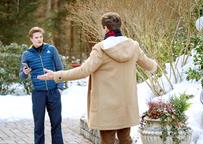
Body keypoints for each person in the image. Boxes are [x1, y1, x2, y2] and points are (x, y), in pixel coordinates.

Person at [38, 12, 157, 144]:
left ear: (105, 28)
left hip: (106, 107)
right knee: (125, 138)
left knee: (107, 140)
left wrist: (55, 75)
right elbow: (150, 65)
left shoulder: (101, 49)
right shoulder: (133, 46)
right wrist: (155, 65)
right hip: (126, 104)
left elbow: (83, 71)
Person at [19, 26, 64, 144]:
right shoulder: (27, 54)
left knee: (56, 124)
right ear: (31, 39)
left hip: (54, 92)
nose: (39, 39)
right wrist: (24, 72)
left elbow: (60, 69)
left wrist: (60, 87)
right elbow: (22, 76)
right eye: (36, 37)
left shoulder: (51, 49)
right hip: (38, 93)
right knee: (38, 126)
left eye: (41, 37)